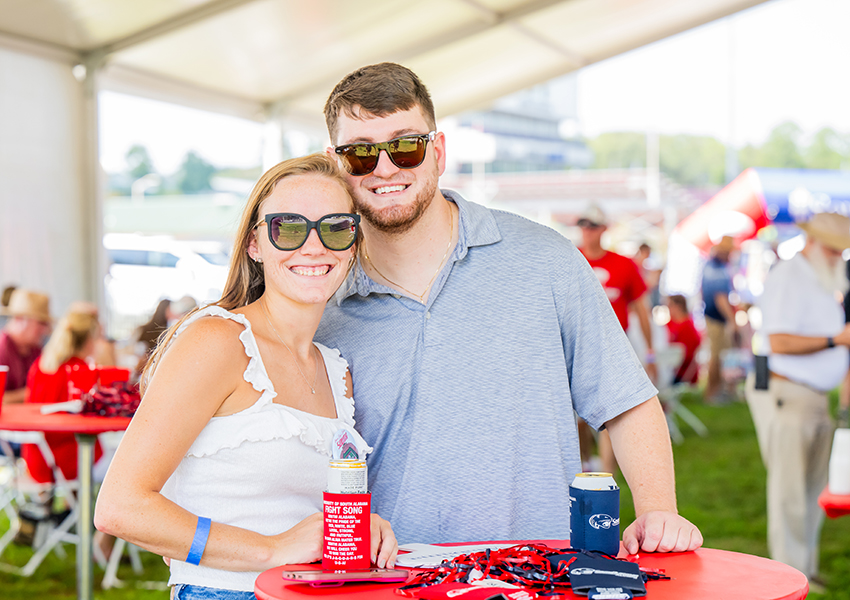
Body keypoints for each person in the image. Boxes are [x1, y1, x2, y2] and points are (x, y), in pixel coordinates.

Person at [315, 62, 702, 553]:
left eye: (405, 145)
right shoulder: (320, 297)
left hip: (534, 575)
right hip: (385, 581)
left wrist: (657, 511)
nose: (386, 168)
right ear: (335, 163)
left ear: (438, 151)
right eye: (360, 154)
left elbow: (625, 400)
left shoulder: (545, 258)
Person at [95, 154, 397, 600]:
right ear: (256, 243)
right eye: (289, 228)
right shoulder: (218, 340)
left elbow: (289, 509)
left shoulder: (336, 371)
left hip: (311, 591)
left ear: (353, 241)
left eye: (335, 227)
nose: (314, 246)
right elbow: (120, 507)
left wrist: (356, 529)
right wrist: (269, 550)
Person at [744, 212, 850, 589]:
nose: (839, 255)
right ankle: (790, 578)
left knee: (811, 489)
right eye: (834, 249)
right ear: (816, 245)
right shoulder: (790, 276)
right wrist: (835, 340)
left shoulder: (820, 278)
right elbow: (780, 342)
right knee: (790, 491)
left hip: (812, 395)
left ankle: (805, 569)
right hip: (788, 392)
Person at [576, 204, 657, 474]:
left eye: (592, 225)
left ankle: (605, 477)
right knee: (574, 417)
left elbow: (642, 311)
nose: (587, 231)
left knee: (610, 414)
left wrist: (650, 352)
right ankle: (585, 467)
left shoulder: (623, 265)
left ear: (603, 229)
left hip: (613, 349)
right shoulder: (570, 259)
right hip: (575, 348)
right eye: (583, 225)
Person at [24, 308, 104, 483]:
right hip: (70, 461)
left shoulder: (40, 364)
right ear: (89, 340)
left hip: (38, 459)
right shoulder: (81, 371)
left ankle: (71, 507)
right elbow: (95, 420)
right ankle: (78, 507)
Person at [700, 236, 738, 403]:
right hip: (716, 317)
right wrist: (732, 320)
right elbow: (720, 297)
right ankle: (713, 392)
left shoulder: (711, 265)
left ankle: (717, 391)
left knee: (718, 355)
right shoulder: (716, 267)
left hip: (712, 315)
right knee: (717, 355)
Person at [0, 289, 51, 405]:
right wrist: (30, 393)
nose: (45, 330)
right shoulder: (2, 349)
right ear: (19, 319)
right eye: (41, 323)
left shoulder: (35, 349)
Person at [665, 295, 701, 385]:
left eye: (670, 305)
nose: (668, 308)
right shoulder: (669, 324)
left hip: (682, 372)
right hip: (668, 368)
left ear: (678, 306)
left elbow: (688, 354)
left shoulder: (687, 326)